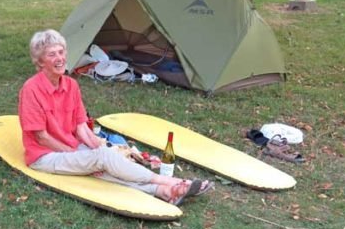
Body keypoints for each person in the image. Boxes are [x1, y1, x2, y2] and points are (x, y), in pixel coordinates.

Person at [18, 29, 213, 205]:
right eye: (52, 54)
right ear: (40, 61)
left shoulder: (71, 85)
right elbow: (41, 137)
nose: (59, 58)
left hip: (71, 147)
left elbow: (80, 127)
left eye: (61, 52)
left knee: (106, 164)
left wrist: (98, 148)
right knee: (102, 160)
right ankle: (170, 182)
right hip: (45, 155)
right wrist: (77, 154)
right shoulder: (31, 89)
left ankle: (163, 192)